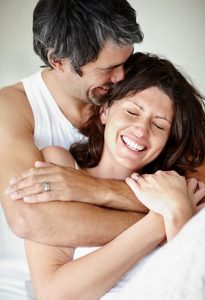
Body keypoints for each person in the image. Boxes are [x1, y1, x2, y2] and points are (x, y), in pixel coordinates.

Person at [15, 52, 205, 299]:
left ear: (168, 140)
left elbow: (189, 284)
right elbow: (52, 293)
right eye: (132, 112)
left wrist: (179, 213)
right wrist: (158, 220)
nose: (141, 129)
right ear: (104, 111)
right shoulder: (60, 167)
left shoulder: (181, 189)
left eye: (159, 125)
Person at [0, 1, 146, 299]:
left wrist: (92, 190)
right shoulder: (12, 109)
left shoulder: (134, 93)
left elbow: (197, 188)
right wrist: (162, 221)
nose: (121, 77)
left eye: (125, 61)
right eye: (108, 68)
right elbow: (32, 220)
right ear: (58, 61)